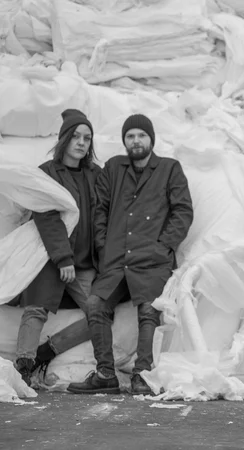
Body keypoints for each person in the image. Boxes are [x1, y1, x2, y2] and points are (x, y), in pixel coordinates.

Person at [66, 114, 194, 395]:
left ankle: (142, 376)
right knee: (97, 305)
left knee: (149, 311)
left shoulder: (169, 169)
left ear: (151, 139)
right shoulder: (113, 168)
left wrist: (164, 246)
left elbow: (183, 211)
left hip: (152, 259)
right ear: (125, 141)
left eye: (141, 135)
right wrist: (103, 246)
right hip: (116, 258)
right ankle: (105, 374)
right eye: (130, 136)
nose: (136, 141)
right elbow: (100, 209)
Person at [14, 109, 100, 386]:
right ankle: (23, 366)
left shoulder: (96, 175)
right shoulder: (47, 173)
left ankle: (45, 352)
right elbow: (46, 217)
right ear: (64, 139)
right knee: (36, 308)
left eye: (87, 138)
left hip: (85, 262)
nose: (81, 142)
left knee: (99, 314)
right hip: (51, 257)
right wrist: (62, 258)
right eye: (76, 136)